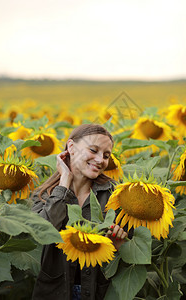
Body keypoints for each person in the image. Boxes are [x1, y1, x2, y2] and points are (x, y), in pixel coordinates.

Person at [31, 123, 127, 300]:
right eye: (93, 150)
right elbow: (41, 233)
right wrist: (64, 181)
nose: (100, 160)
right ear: (71, 147)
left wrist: (119, 245)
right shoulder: (44, 194)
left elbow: (128, 256)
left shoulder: (115, 195)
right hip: (56, 292)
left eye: (106, 155)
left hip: (98, 292)